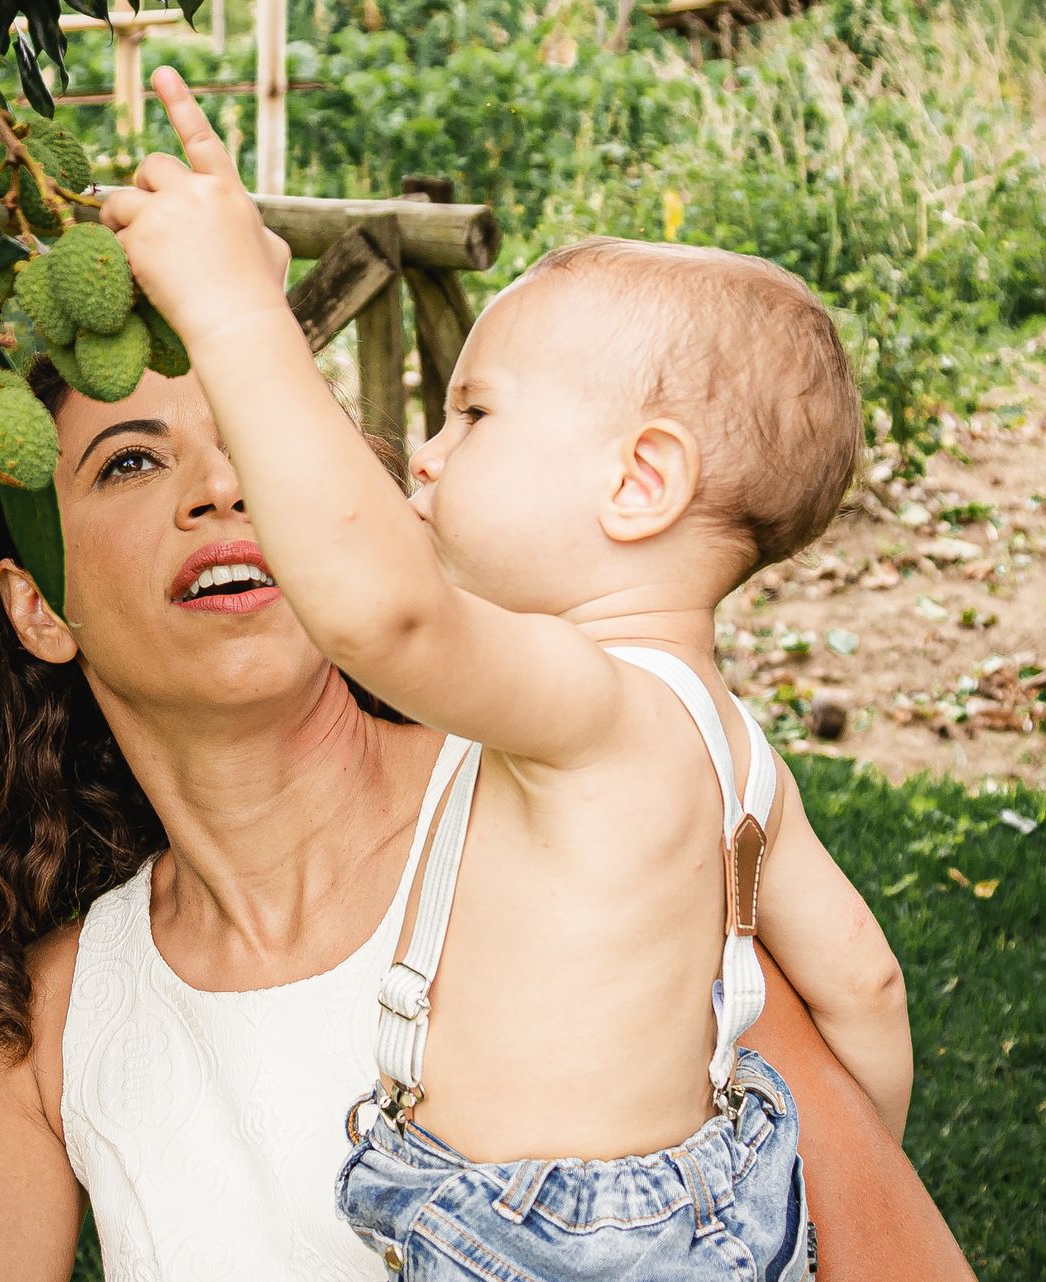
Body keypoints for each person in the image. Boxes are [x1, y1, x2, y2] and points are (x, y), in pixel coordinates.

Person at [0, 161, 971, 1282]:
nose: (225, 486)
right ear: (37, 607)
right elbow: (875, 993)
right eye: (132, 462)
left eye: (259, 437)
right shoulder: (68, 1008)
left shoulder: (575, 841)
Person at [102, 72, 910, 1279]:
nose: (425, 456)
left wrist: (235, 318)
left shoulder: (590, 709)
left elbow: (386, 614)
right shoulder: (734, 753)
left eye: (473, 414)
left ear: (640, 483)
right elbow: (864, 983)